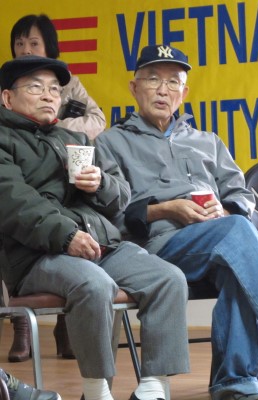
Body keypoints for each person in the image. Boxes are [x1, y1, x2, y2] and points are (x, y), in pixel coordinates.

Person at [96, 44, 258, 400]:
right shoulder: (111, 142)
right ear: (134, 87)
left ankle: (236, 384)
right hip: (158, 249)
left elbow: (241, 194)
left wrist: (227, 211)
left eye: (173, 82)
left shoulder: (208, 142)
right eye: (153, 79)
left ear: (184, 92)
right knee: (237, 236)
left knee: (238, 263)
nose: (163, 90)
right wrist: (168, 209)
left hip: (218, 241)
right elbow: (113, 212)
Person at [0, 54, 190, 400]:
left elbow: (121, 197)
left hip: (101, 245)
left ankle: (153, 387)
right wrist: (67, 235)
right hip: (35, 256)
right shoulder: (3, 140)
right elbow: (14, 202)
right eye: (36, 87)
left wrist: (100, 182)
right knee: (94, 285)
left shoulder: (77, 139)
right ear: (7, 98)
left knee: (168, 278)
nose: (48, 96)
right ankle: (96, 389)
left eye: (55, 90)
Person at [7, 13, 107, 362]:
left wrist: (57, 125)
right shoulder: (10, 86)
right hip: (23, 180)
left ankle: (67, 327)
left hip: (63, 171)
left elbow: (97, 120)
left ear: (49, 46)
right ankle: (22, 326)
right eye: (19, 44)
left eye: (33, 43)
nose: (24, 49)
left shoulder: (70, 85)